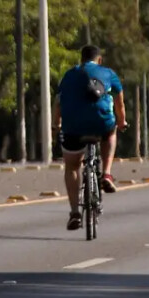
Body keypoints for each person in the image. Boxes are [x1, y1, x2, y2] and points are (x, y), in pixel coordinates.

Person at [52, 45, 127, 231]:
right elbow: (119, 103)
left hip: (73, 127)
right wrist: (122, 122)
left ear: (81, 60)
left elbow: (58, 103)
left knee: (72, 167)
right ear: (99, 60)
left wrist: (56, 124)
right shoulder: (108, 73)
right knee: (111, 132)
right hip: (101, 123)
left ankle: (74, 212)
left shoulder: (69, 75)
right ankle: (107, 174)